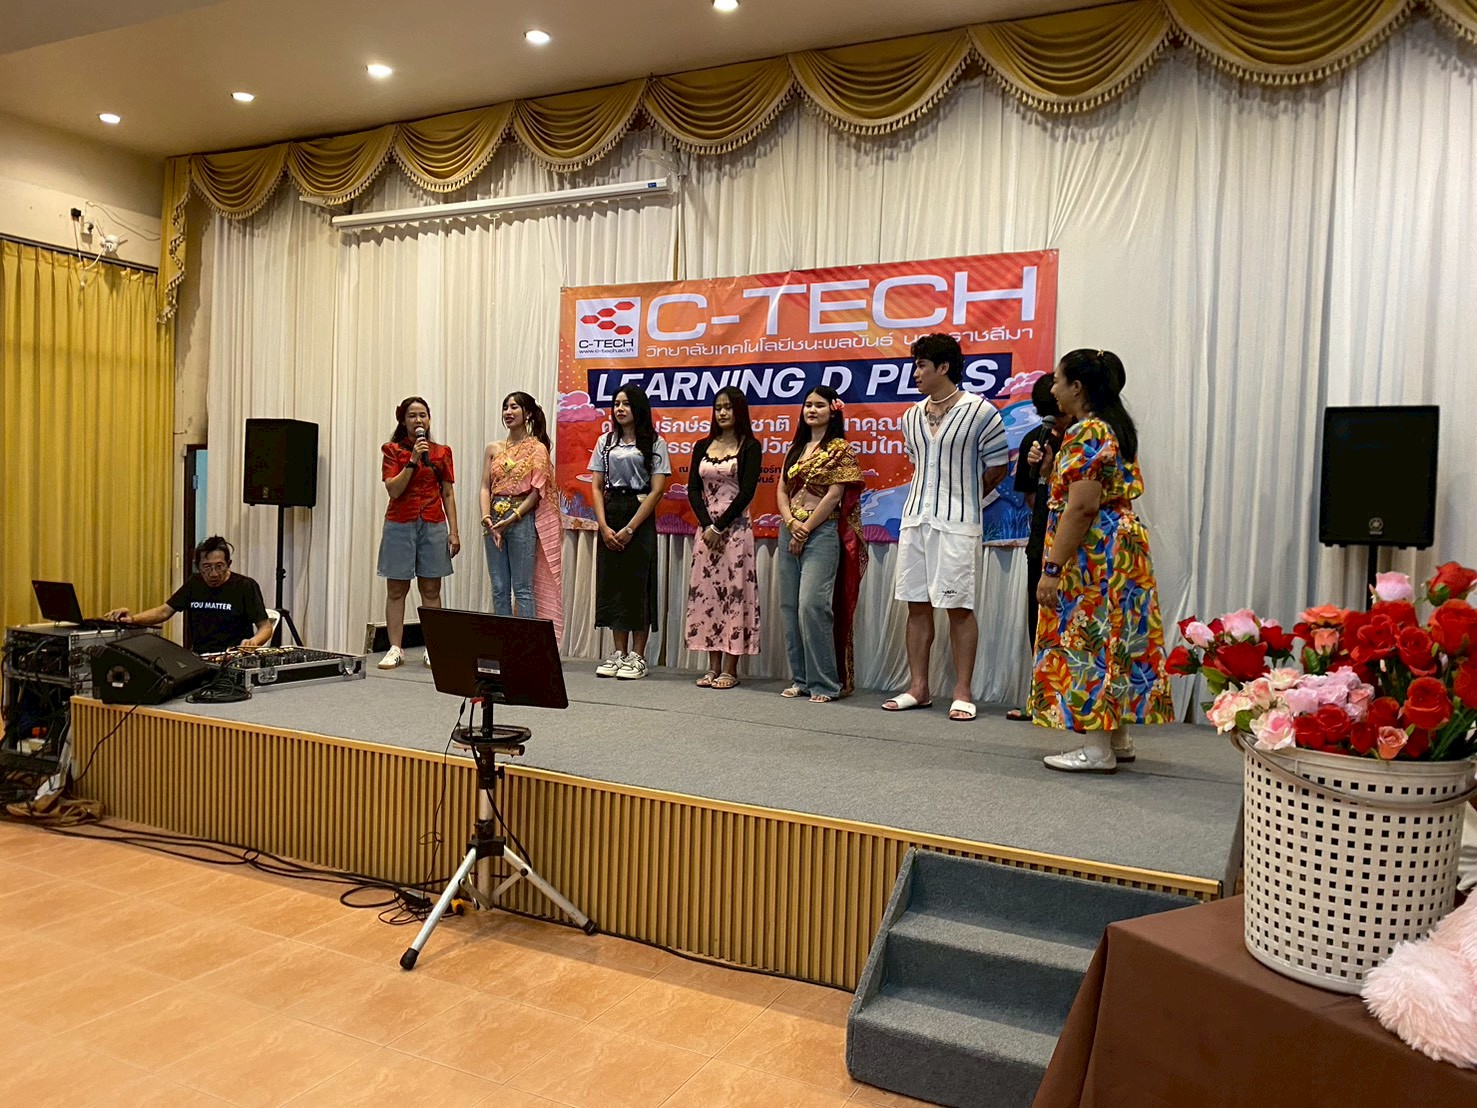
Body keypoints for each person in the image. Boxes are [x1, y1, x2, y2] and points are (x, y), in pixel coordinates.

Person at [1026, 348, 1174, 772]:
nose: (1053, 388)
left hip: (1095, 552)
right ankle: (1116, 737)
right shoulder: (1114, 428)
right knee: (1118, 637)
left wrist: (1052, 569)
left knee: (1089, 638)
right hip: (1121, 549)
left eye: (1058, 380)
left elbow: (1082, 507)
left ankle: (1096, 749)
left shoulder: (1087, 431)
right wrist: (1051, 470)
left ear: (1077, 387)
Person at [883, 334, 1010, 721]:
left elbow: (998, 466)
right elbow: (919, 463)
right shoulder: (910, 416)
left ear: (944, 367)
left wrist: (966, 498)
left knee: (958, 606)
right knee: (916, 604)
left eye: (922, 365)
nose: (915, 373)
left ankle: (962, 691)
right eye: (915, 365)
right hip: (915, 519)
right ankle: (918, 687)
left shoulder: (981, 412)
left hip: (958, 524)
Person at [775, 386, 868, 702]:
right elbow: (781, 490)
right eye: (807, 405)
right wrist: (791, 523)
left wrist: (805, 528)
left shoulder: (840, 449)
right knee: (790, 607)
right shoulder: (795, 448)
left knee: (812, 605)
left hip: (821, 531)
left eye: (819, 405)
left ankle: (826, 683)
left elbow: (834, 495)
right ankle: (801, 679)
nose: (812, 410)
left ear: (833, 410)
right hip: (790, 529)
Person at [590, 385, 671, 680]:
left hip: (639, 514)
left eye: (626, 404)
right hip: (611, 512)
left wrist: (630, 528)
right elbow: (596, 486)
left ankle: (638, 655)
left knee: (638, 584)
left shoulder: (655, 442)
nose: (620, 409)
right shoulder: (605, 441)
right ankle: (618, 652)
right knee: (613, 584)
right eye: (616, 404)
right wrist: (603, 526)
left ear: (639, 408)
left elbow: (657, 490)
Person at [684, 387, 762, 688]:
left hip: (736, 531)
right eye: (718, 408)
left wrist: (720, 527)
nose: (723, 413)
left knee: (734, 594)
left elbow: (747, 492)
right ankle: (712, 666)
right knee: (708, 596)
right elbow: (693, 489)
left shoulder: (750, 446)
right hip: (706, 532)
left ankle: (730, 667)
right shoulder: (702, 445)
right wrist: (707, 525)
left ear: (739, 410)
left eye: (728, 407)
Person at [377, 396, 460, 669]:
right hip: (400, 524)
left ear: (429, 419)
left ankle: (433, 647)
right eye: (412, 415)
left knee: (431, 588)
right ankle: (395, 648)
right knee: (397, 588)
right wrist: (412, 460)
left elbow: (448, 493)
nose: (418, 420)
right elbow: (394, 490)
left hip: (433, 523)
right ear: (403, 421)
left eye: (423, 415)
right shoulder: (392, 451)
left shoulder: (441, 452)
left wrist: (454, 531)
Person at [480, 391, 563, 643]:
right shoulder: (493, 448)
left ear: (527, 413)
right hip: (494, 520)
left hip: (521, 520)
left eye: (514, 407)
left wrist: (513, 517)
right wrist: (486, 517)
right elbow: (485, 487)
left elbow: (537, 492)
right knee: (499, 588)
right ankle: (503, 643)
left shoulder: (537, 449)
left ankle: (526, 645)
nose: (508, 412)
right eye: (505, 407)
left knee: (523, 588)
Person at [105, 536, 272, 655]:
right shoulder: (194, 583)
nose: (213, 573)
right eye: (207, 567)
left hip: (233, 658)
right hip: (200, 658)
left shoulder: (245, 586)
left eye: (219, 566)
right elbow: (164, 611)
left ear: (229, 564)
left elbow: (265, 627)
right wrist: (132, 619)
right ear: (197, 566)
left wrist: (253, 642)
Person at [1006, 374, 1061, 723]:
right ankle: (1041, 696)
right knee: (1038, 620)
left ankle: (1075, 702)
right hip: (1041, 542)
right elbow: (1030, 497)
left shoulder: (1087, 439)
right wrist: (1041, 472)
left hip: (1081, 550)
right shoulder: (1036, 439)